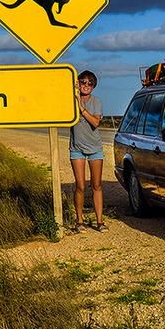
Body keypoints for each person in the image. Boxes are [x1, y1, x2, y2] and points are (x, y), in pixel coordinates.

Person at [70, 70, 107, 233]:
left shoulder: (96, 101)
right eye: (83, 82)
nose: (86, 85)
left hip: (95, 148)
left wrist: (81, 108)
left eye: (90, 83)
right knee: (80, 186)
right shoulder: (70, 100)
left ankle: (99, 221)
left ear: (93, 86)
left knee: (96, 185)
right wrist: (73, 93)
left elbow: (95, 123)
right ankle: (79, 221)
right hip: (77, 148)